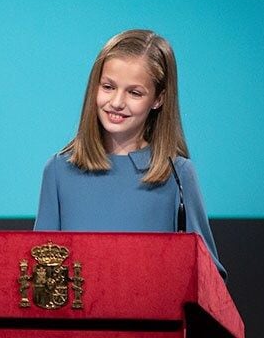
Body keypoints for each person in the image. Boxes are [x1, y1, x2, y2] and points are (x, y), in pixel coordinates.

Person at [34, 29, 226, 279]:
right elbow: (42, 272)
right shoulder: (59, 170)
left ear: (158, 99)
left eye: (134, 93)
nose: (116, 102)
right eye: (108, 87)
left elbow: (209, 278)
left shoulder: (177, 175)